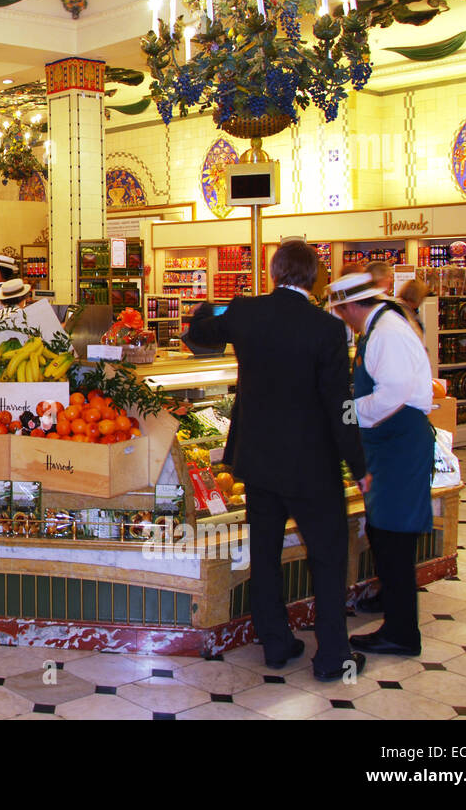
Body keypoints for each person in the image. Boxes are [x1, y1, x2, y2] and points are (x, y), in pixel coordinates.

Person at [182, 240, 369, 682]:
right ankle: (332, 658)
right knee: (327, 558)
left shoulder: (247, 311)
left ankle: (276, 643)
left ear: (273, 273)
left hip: (258, 463)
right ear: (315, 278)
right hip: (312, 468)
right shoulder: (327, 329)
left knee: (264, 554)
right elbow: (339, 407)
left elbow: (200, 334)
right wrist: (360, 468)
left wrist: (209, 310)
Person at [328, 272, 435, 657]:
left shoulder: (387, 333)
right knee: (383, 530)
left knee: (394, 539)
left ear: (353, 306)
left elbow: (391, 395)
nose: (342, 318)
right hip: (390, 444)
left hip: (399, 444)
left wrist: (343, 412)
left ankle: (402, 633)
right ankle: (390, 601)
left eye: (341, 311)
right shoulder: (380, 325)